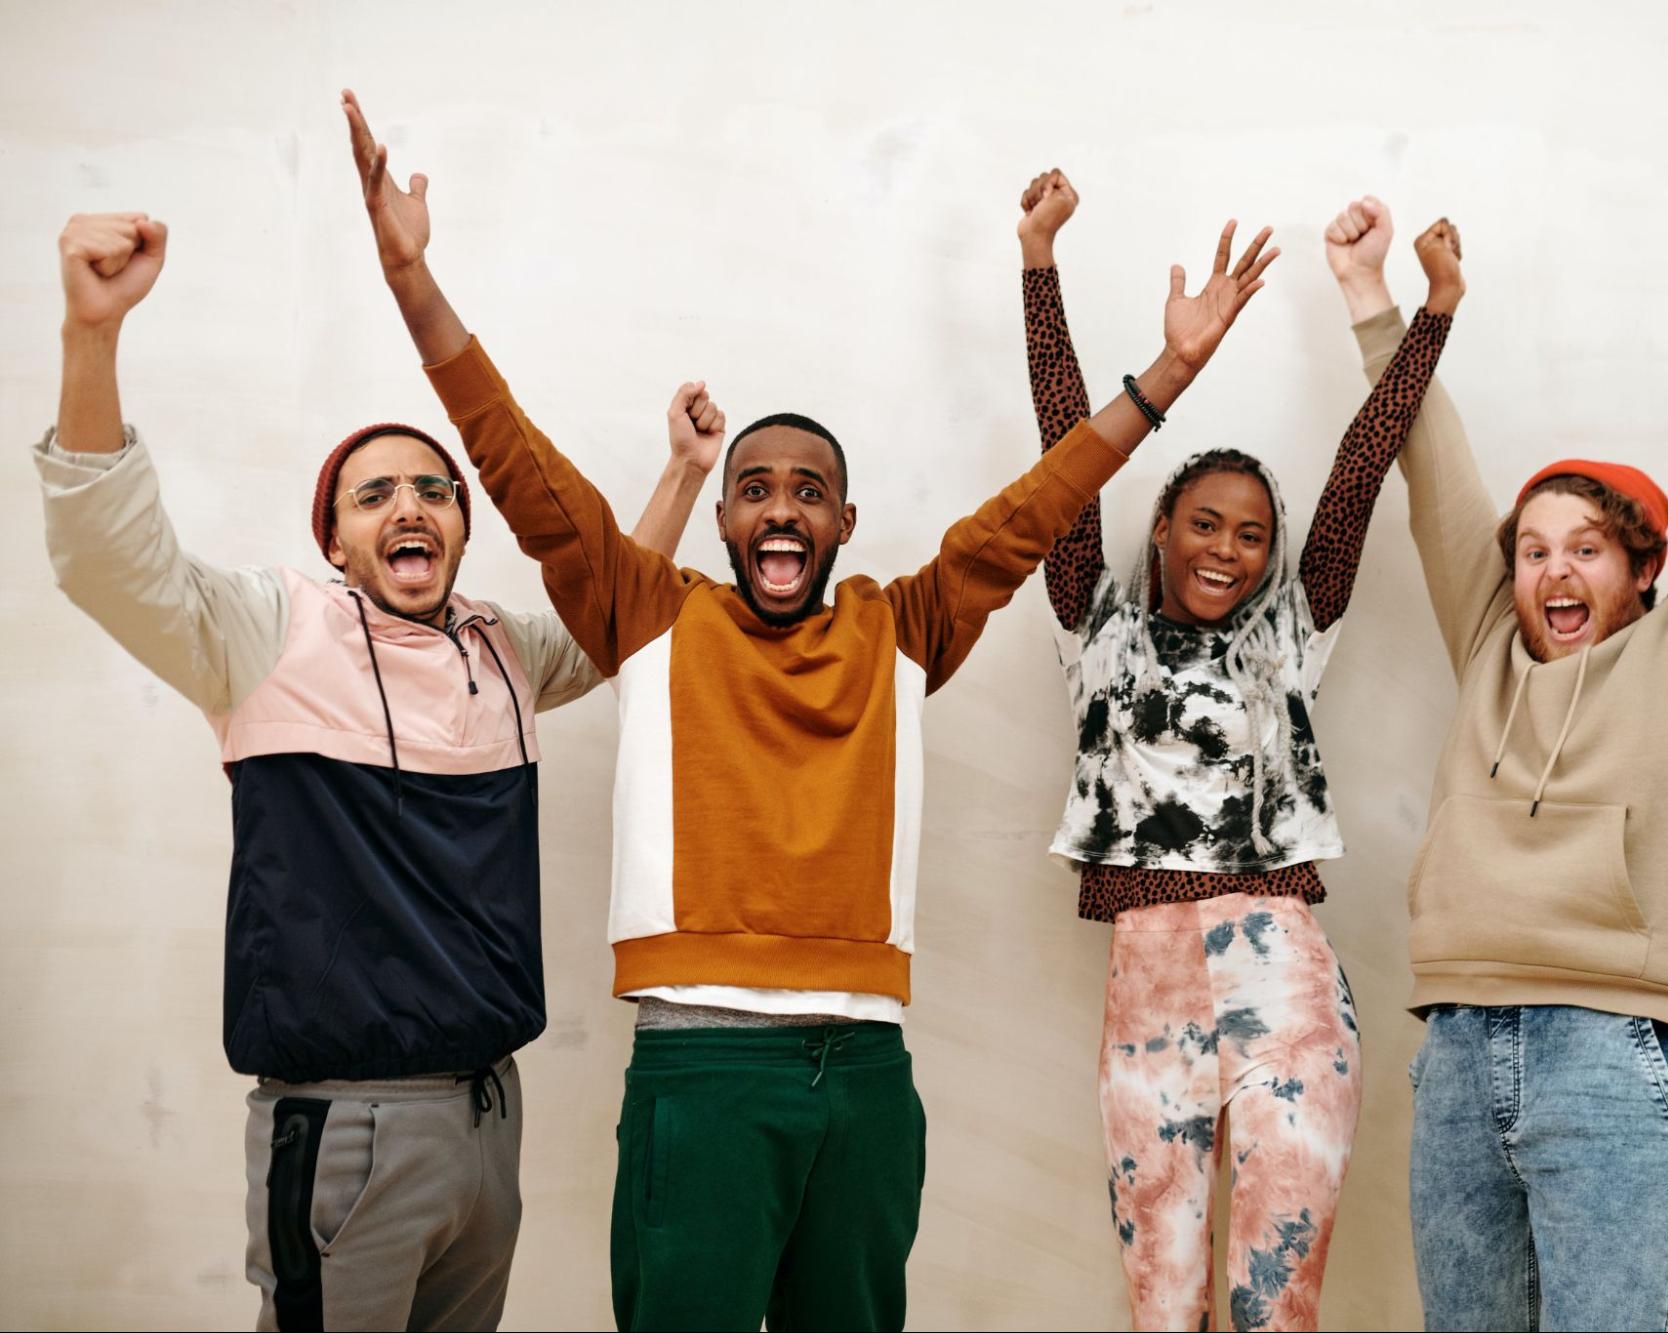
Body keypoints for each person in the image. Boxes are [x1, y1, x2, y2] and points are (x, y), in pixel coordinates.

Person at [340, 89, 1279, 1331]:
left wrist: (1169, 372)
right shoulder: (651, 611)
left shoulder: (902, 624)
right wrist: (413, 280)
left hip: (868, 1078)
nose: (780, 510)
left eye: (809, 492)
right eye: (754, 490)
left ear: (842, 519)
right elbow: (514, 461)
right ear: (724, 518)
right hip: (703, 1066)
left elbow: (1039, 505)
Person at [33, 202, 716, 1329]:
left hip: (491, 1119)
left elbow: (613, 618)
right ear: (337, 542)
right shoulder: (265, 633)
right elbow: (110, 559)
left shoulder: (498, 646)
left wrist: (682, 475)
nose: (410, 504)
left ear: (461, 526)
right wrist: (91, 333)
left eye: (435, 489)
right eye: (375, 494)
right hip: (344, 1131)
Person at [1322, 121, 1668, 1330]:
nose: (1550, 571)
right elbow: (1430, 463)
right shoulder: (1490, 644)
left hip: (1627, 1053)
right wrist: (1374, 298)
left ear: (1641, 568)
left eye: (1583, 548)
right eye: (1529, 550)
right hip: (1464, 1049)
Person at [1015, 169, 1463, 1331]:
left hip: (1287, 983)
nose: (1227, 550)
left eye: (1250, 535)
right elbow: (1065, 452)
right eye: (1204, 524)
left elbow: (1362, 467)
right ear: (1159, 527)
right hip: (1147, 987)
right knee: (1161, 1305)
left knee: (1278, 1305)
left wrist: (1434, 313)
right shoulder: (1096, 630)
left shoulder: (1293, 636)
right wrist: (1037, 264)